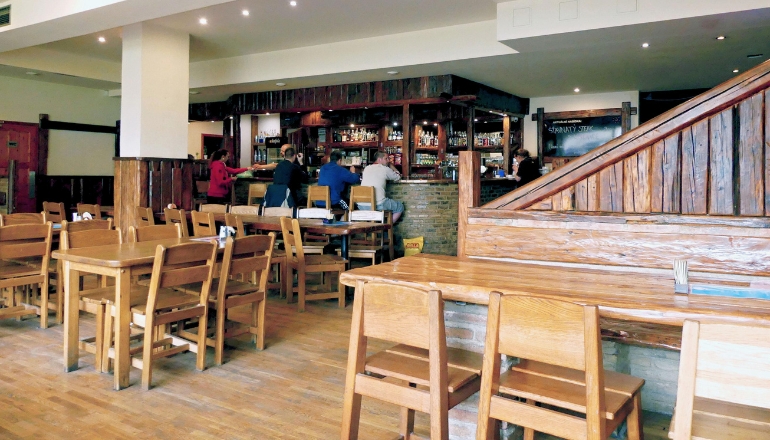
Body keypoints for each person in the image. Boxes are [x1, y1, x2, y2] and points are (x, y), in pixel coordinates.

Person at [360, 151, 404, 222]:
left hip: (361, 205)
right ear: (379, 159)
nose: (388, 161)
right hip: (378, 204)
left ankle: (377, 226)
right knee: (400, 207)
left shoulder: (366, 168)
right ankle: (387, 227)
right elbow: (398, 177)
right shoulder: (385, 169)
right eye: (386, 158)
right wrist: (391, 166)